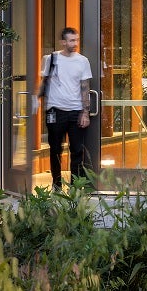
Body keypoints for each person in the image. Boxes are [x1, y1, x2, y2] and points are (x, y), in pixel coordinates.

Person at [37, 27, 93, 189]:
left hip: (75, 111)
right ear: (63, 42)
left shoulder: (82, 61)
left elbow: (85, 87)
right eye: (71, 40)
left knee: (76, 150)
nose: (74, 43)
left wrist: (85, 112)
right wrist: (36, 98)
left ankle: (76, 186)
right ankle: (57, 183)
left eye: (76, 40)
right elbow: (44, 81)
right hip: (55, 110)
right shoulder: (51, 59)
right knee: (55, 149)